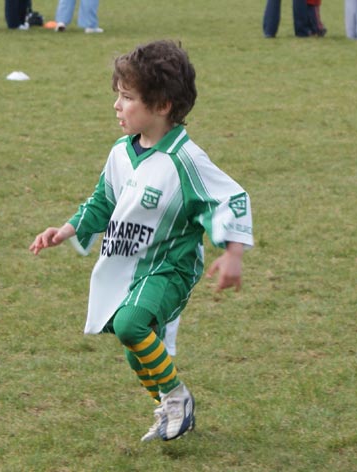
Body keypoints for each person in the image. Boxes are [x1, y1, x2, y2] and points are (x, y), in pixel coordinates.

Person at [29, 40, 254, 442]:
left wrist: (233, 252)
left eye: (128, 97)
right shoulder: (120, 152)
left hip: (171, 266)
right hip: (133, 264)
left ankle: (177, 398)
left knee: (132, 324)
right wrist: (64, 230)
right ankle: (171, 406)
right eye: (118, 95)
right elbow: (103, 200)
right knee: (133, 346)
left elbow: (228, 197)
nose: (117, 105)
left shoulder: (185, 160)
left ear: (163, 105)